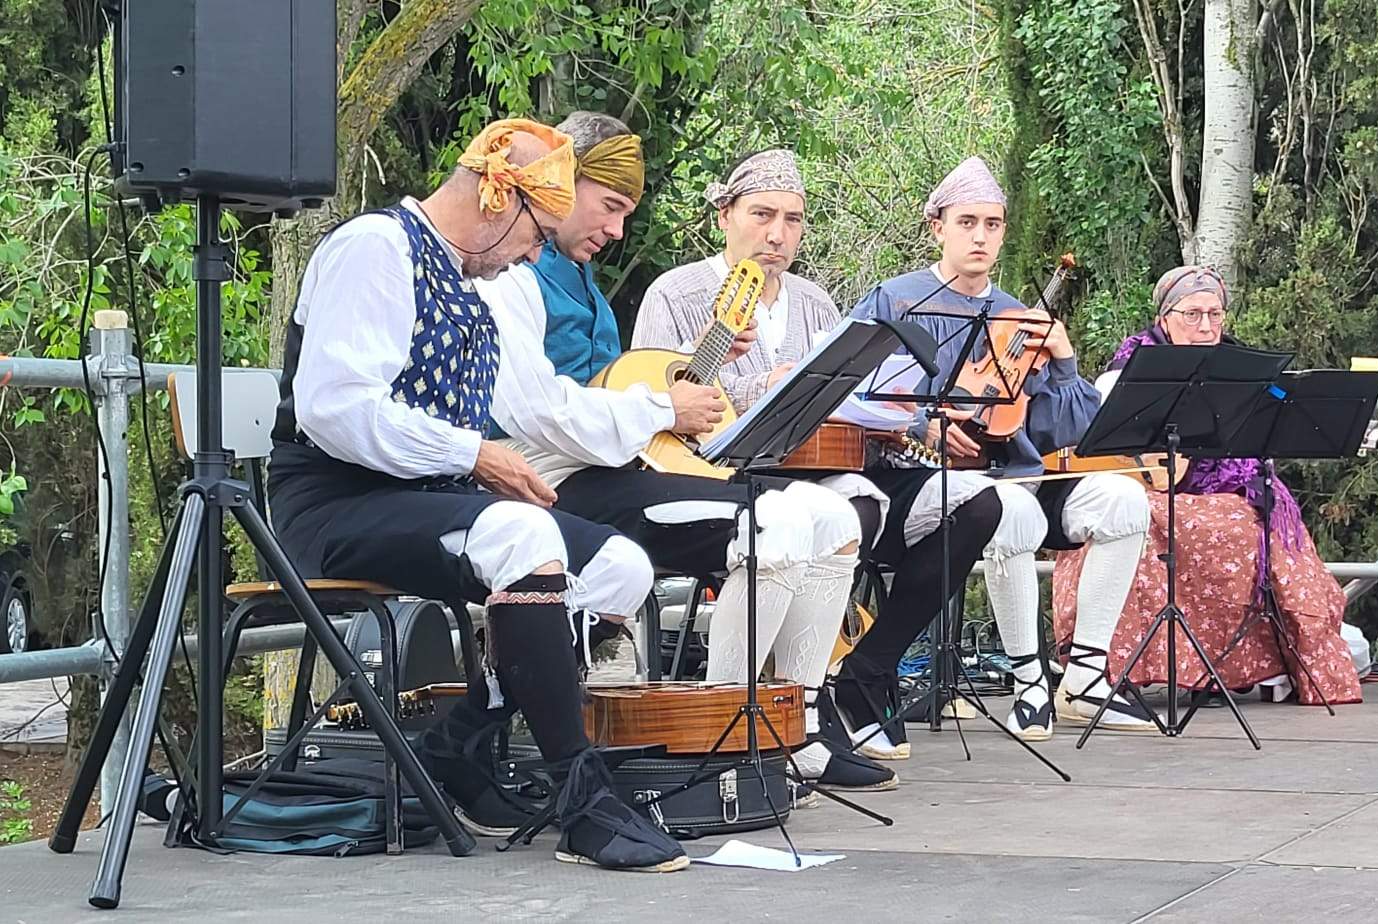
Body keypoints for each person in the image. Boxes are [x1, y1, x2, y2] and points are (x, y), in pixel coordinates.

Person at [268, 118, 687, 871]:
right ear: (501, 198)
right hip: (334, 502)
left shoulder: (471, 279)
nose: (533, 255)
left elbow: (530, 405)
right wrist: (473, 454)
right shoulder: (376, 248)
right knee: (523, 536)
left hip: (432, 496)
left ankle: (458, 742)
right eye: (537, 236)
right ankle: (583, 801)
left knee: (621, 566)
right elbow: (333, 409)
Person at [472, 112, 896, 792]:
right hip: (552, 483)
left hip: (624, 467)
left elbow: (622, 388)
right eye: (610, 206)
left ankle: (804, 723)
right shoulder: (514, 275)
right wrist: (665, 407)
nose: (617, 230)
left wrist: (692, 370)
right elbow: (546, 413)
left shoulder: (581, 278)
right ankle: (724, 742)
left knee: (835, 517)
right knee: (778, 525)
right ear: (564, 183)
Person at [631, 149, 1006, 758]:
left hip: (828, 463)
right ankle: (796, 704)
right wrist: (762, 387)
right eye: (762, 214)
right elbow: (654, 400)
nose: (777, 234)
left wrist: (904, 415)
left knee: (973, 503)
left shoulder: (815, 301)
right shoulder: (676, 292)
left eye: (793, 219)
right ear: (724, 215)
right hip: (724, 474)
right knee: (849, 510)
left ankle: (863, 673)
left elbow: (852, 396)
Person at [841, 156, 1158, 746]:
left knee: (1124, 500)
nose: (980, 236)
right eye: (967, 223)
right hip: (921, 476)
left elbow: (1067, 430)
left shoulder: (1017, 315)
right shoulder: (896, 299)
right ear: (937, 227)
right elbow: (850, 387)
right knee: (1007, 509)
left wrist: (1064, 361)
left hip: (1016, 470)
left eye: (992, 224)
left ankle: (1085, 677)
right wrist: (920, 422)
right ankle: (1029, 680)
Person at [1051, 266, 1364, 705]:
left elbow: (1276, 413)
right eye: (1192, 314)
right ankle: (1111, 668)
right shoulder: (1129, 368)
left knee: (1247, 528)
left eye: (1215, 315)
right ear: (1164, 318)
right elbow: (1100, 447)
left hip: (1228, 493)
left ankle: (1224, 668)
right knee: (1136, 517)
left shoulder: (1241, 369)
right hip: (1152, 493)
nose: (1205, 326)